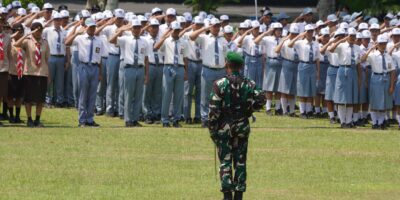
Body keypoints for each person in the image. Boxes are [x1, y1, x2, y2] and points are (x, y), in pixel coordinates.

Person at [208, 51, 266, 200]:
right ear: (240, 66)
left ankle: (227, 194)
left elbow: (213, 109)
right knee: (240, 160)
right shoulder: (249, 83)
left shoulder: (219, 84)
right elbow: (262, 98)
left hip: (224, 126)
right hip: (242, 125)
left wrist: (213, 129)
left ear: (227, 64)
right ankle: (239, 194)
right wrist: (250, 109)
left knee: (225, 159)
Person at [110, 19, 149, 127]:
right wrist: (121, 30)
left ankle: (135, 119)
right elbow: (111, 40)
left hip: (140, 68)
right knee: (128, 94)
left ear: (141, 29)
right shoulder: (125, 39)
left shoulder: (145, 41)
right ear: (131, 29)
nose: (136, 30)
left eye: (138, 28)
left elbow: (146, 59)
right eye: (134, 28)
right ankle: (128, 119)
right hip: (129, 68)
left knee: (138, 96)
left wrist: (146, 75)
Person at [65, 18, 104, 127]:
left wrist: (100, 73)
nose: (92, 29)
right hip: (84, 66)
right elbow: (67, 42)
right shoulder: (80, 38)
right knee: (83, 93)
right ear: (86, 27)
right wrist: (76, 32)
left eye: (93, 27)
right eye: (90, 27)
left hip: (95, 67)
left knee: (92, 94)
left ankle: (90, 119)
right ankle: (82, 120)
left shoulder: (98, 40)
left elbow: (99, 58)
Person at [190, 18, 228, 128]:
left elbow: (226, 55)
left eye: (218, 26)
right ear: (210, 26)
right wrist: (205, 28)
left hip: (220, 70)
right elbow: (192, 37)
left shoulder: (223, 40)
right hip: (208, 69)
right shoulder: (204, 38)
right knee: (205, 96)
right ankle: (205, 119)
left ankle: (218, 118)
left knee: (220, 96)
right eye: (214, 26)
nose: (216, 28)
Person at [14, 20, 50, 127]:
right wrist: (27, 35)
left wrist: (49, 74)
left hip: (42, 73)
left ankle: (37, 120)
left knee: (40, 99)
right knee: (28, 98)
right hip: (29, 73)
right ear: (32, 31)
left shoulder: (45, 42)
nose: (39, 32)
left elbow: (46, 59)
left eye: (40, 30)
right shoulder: (27, 41)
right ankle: (29, 119)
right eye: (37, 30)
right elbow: (16, 44)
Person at [154, 21, 189, 128]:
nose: (176, 32)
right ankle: (164, 119)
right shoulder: (166, 40)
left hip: (180, 67)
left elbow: (185, 58)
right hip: (168, 67)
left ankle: (176, 119)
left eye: (178, 30)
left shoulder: (184, 42)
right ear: (171, 30)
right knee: (167, 94)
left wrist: (186, 72)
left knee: (179, 95)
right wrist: (165, 36)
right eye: (174, 30)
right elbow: (156, 47)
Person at [361, 34, 395, 129]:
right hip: (376, 78)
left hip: (386, 78)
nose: (383, 46)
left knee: (384, 102)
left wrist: (392, 86)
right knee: (374, 101)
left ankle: (380, 122)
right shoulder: (373, 55)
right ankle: (374, 122)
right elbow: (362, 60)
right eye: (381, 44)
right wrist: (371, 49)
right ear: (377, 44)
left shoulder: (388, 56)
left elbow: (392, 71)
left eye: (384, 44)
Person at [329, 27, 361, 128]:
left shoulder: (357, 47)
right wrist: (340, 40)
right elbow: (331, 49)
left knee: (351, 98)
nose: (352, 38)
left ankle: (349, 121)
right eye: (351, 36)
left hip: (353, 70)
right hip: (343, 69)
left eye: (354, 36)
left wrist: (359, 77)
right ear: (347, 36)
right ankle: (343, 121)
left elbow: (359, 62)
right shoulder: (342, 45)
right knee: (342, 98)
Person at [288, 24, 321, 119]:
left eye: (311, 31)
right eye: (308, 31)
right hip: (303, 64)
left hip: (312, 65)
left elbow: (318, 58)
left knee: (311, 89)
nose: (310, 33)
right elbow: (290, 45)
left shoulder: (316, 43)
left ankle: (309, 110)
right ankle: (303, 111)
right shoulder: (300, 42)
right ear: (305, 32)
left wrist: (318, 71)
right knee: (303, 88)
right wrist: (299, 36)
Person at [43, 12, 67, 107]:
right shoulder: (47, 30)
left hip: (61, 57)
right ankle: (48, 99)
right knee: (49, 79)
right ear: (53, 20)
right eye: (56, 20)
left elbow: (67, 47)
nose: (58, 21)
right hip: (51, 56)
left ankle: (59, 100)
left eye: (59, 20)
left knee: (60, 80)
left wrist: (67, 60)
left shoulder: (64, 31)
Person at [142, 18, 163, 124]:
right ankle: (147, 114)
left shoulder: (161, 39)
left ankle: (156, 113)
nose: (154, 29)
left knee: (158, 92)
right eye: (152, 27)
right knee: (147, 91)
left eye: (156, 27)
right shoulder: (144, 39)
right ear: (148, 28)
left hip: (160, 65)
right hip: (149, 65)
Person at [7, 23, 25, 124]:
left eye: (21, 31)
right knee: (10, 96)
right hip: (11, 71)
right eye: (17, 31)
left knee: (19, 96)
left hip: (21, 73)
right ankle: (11, 116)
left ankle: (17, 116)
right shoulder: (10, 42)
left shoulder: (24, 43)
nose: (19, 33)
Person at [0, 17, 11, 126]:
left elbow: (8, 54)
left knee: (2, 94)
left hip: (3, 68)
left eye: (1, 23)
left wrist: (9, 69)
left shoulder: (8, 37)